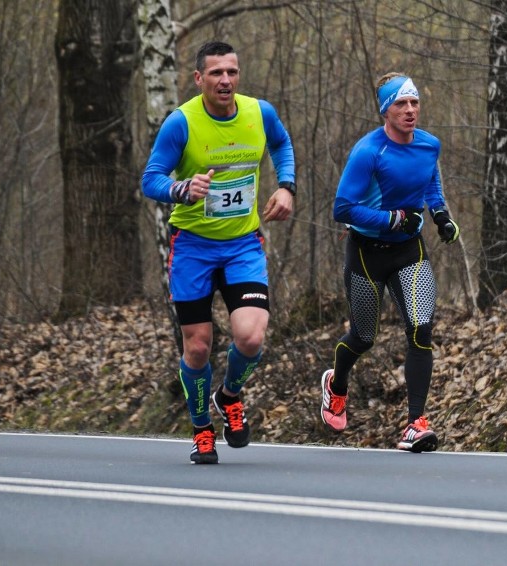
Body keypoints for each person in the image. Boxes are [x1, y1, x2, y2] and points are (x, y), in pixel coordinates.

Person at [142, 41, 296, 464]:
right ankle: (201, 428)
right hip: (191, 247)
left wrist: (286, 186)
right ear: (199, 79)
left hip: (243, 245)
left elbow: (281, 144)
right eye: (215, 73)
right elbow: (150, 179)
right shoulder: (182, 123)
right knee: (198, 348)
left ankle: (228, 395)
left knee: (250, 336)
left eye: (231, 72)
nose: (225, 80)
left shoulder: (258, 113)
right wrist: (181, 189)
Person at [320, 72, 460, 453]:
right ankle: (337, 384)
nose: (410, 110)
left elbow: (430, 182)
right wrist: (394, 219)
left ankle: (416, 423)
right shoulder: (368, 151)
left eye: (414, 102)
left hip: (408, 252)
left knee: (421, 329)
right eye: (401, 104)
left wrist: (441, 215)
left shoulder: (430, 145)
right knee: (364, 337)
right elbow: (342, 208)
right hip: (366, 253)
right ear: (385, 109)